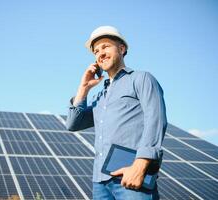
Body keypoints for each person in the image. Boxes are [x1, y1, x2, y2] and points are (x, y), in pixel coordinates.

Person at [66, 26, 167, 200]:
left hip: (131, 176)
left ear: (122, 48)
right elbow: (73, 124)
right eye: (96, 51)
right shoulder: (100, 97)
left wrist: (140, 165)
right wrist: (83, 89)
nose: (100, 53)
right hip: (100, 182)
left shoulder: (141, 79)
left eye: (105, 46)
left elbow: (156, 120)